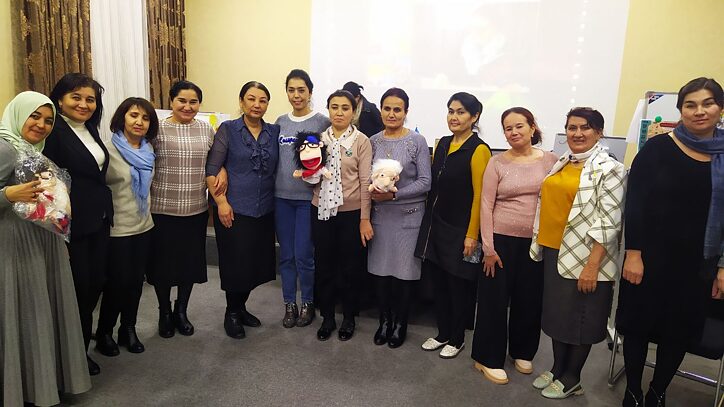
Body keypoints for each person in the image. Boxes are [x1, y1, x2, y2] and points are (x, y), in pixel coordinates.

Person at [617, 77, 724, 407]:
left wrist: (722, 267)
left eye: (707, 103)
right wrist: (633, 253)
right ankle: (633, 391)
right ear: (681, 110)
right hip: (649, 257)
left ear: (720, 108)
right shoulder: (657, 149)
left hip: (698, 263)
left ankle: (657, 392)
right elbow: (636, 204)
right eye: (690, 105)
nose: (699, 111)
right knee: (637, 325)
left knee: (679, 331)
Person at [0, 91, 91, 406]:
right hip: (16, 242)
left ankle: (39, 385)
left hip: (43, 238)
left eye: (48, 120)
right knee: (27, 311)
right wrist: (9, 194)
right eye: (35, 116)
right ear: (18, 114)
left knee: (39, 310)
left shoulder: (33, 150)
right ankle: (23, 390)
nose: (41, 125)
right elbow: (11, 194)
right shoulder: (5, 147)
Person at [529, 107, 626, 399]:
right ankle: (558, 369)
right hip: (554, 251)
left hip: (587, 257)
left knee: (581, 319)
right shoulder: (563, 162)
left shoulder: (611, 169)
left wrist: (592, 266)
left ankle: (573, 378)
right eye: (572, 128)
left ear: (599, 132)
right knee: (558, 317)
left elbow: (609, 222)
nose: (578, 133)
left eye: (585, 127)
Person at [472, 107, 558, 384]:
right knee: (494, 301)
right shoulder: (497, 163)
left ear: (532, 127)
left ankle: (522, 350)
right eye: (508, 128)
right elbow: (486, 205)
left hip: (535, 241)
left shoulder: (551, 161)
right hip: (500, 240)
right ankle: (487, 358)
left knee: (529, 298)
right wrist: (488, 248)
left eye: (519, 126)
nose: (513, 132)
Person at [45, 72, 113, 375]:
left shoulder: (88, 129)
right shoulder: (53, 132)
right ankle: (73, 358)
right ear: (60, 99)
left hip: (97, 221)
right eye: (76, 97)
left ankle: (80, 349)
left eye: (90, 99)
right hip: (71, 226)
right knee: (77, 291)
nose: (84, 104)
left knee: (93, 286)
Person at [416, 92, 492, 359]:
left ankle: (457, 338)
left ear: (474, 116)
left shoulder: (479, 149)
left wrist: (472, 235)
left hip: (462, 230)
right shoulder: (444, 143)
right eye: (451, 111)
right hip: (437, 225)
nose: (454, 117)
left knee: (458, 286)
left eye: (461, 112)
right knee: (439, 284)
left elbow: (480, 196)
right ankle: (443, 333)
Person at [147, 80, 222, 338]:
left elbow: (216, 162)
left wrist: (222, 172)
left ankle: (181, 310)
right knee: (163, 266)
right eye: (182, 101)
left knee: (189, 265)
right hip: (162, 209)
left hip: (195, 209)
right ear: (171, 101)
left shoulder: (206, 130)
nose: (187, 107)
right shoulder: (157, 129)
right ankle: (164, 312)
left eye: (193, 102)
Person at [206, 81, 279, 339]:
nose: (257, 104)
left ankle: (241, 307)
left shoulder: (274, 131)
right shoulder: (228, 130)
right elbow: (212, 169)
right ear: (241, 101)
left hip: (265, 209)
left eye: (262, 100)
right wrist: (221, 203)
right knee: (236, 265)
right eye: (251, 99)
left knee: (255, 265)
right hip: (234, 210)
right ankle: (232, 312)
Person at [94, 97, 158, 356]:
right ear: (122, 118)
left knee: (135, 283)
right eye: (134, 115)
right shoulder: (106, 151)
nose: (139, 122)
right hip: (117, 229)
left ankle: (128, 329)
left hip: (144, 226)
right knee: (116, 284)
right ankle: (105, 332)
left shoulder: (148, 150)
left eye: (145, 118)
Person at [368, 87, 431, 348]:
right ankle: (384, 321)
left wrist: (395, 195)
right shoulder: (373, 141)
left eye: (397, 109)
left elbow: (425, 182)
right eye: (387, 108)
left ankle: (400, 323)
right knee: (381, 273)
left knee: (404, 275)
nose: (391, 114)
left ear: (406, 112)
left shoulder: (417, 141)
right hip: (381, 217)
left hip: (408, 218)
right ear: (381, 110)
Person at [312, 89, 373, 342]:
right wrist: (309, 174)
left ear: (353, 112)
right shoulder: (317, 139)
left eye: (345, 108)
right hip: (321, 211)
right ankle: (327, 318)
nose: (339, 112)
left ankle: (349, 318)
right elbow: (311, 176)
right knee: (324, 266)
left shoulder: (361, 141)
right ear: (328, 110)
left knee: (350, 268)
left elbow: (365, 181)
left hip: (351, 213)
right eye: (334, 107)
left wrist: (364, 219)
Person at [275, 69, 330, 328]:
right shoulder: (280, 122)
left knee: (304, 255)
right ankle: (290, 303)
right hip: (281, 199)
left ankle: (308, 302)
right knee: (286, 255)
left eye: (301, 90)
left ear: (310, 92)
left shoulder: (322, 122)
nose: (296, 95)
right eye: (291, 90)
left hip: (308, 200)